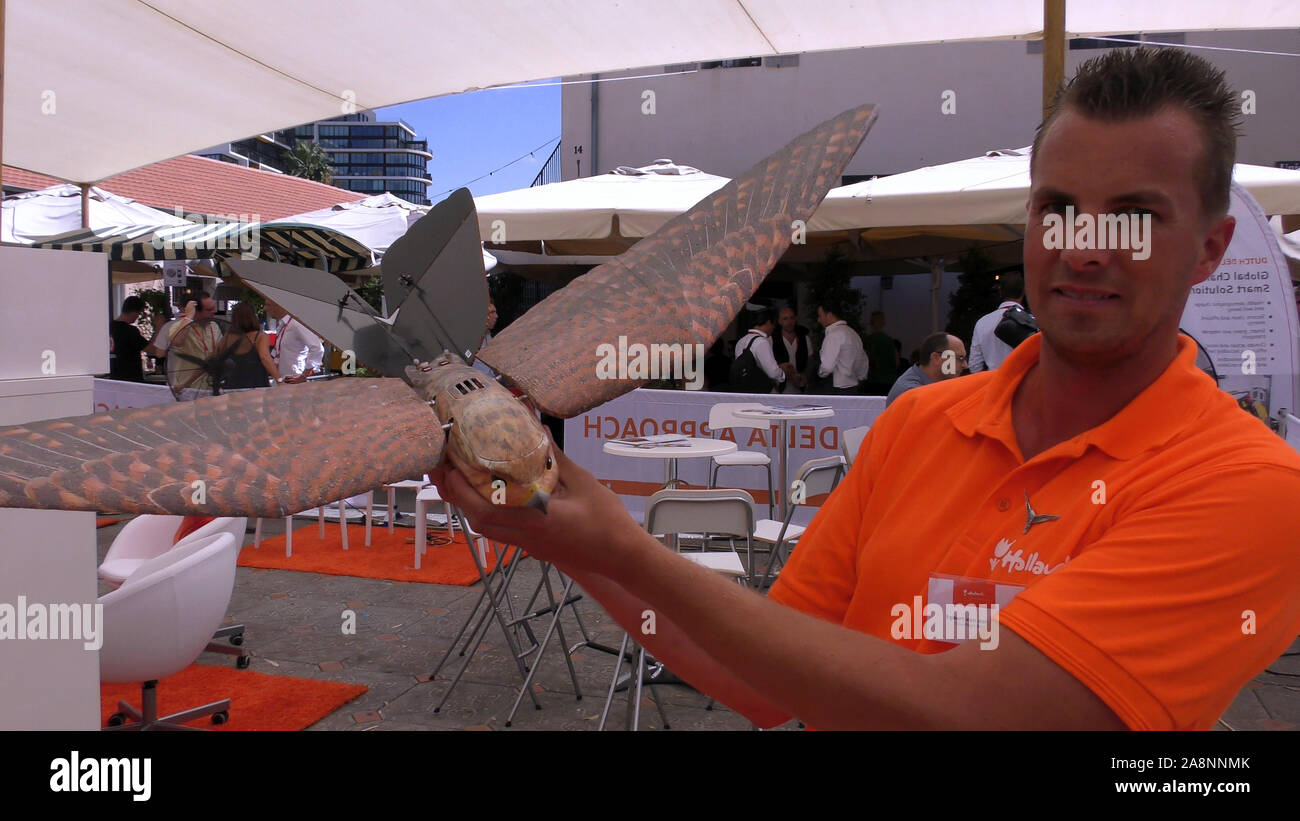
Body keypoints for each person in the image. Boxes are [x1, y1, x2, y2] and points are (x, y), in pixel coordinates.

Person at [430, 48, 1300, 730]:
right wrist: (561, 534)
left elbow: (972, 713)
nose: (1085, 245)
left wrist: (623, 548)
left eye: (1136, 216)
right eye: (1057, 207)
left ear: (1213, 248)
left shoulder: (1251, 486)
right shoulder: (921, 418)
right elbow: (764, 679)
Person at [212, 302, 282, 391]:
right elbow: (265, 358)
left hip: (232, 388)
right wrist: (280, 380)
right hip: (256, 387)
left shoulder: (228, 337)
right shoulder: (260, 337)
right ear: (253, 316)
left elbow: (213, 356)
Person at [885, 332, 967, 406]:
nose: (965, 365)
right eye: (960, 358)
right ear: (936, 358)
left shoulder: (924, 385)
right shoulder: (911, 393)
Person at [968, 270, 1026, 372]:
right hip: (1023, 382)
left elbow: (974, 366)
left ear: (1001, 292)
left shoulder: (982, 322)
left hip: (994, 381)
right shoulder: (1032, 321)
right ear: (1024, 292)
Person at [814, 301, 868, 395]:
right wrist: (860, 377)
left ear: (829, 315)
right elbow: (863, 362)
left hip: (837, 389)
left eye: (820, 316)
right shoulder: (853, 334)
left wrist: (819, 373)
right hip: (854, 388)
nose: (819, 320)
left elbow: (827, 367)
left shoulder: (833, 335)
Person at [266, 300, 324, 383]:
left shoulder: (296, 324)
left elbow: (317, 348)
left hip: (293, 380)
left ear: (278, 306)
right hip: (282, 380)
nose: (266, 308)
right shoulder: (282, 324)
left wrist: (305, 374)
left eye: (268, 305)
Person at [732, 307, 785, 393]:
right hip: (760, 390)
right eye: (773, 324)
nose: (774, 327)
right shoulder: (762, 342)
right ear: (768, 322)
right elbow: (773, 373)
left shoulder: (741, 341)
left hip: (743, 389)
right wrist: (783, 374)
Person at [107, 296, 150, 382]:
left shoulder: (108, 327)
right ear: (134, 312)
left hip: (113, 375)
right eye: (139, 313)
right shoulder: (130, 331)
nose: (138, 316)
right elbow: (150, 349)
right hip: (130, 376)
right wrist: (159, 329)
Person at [771, 305, 811, 394]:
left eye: (791, 318)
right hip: (779, 388)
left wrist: (806, 376)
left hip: (800, 387)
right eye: (785, 319)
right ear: (779, 321)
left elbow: (810, 360)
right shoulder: (772, 339)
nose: (789, 322)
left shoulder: (804, 338)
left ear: (796, 319)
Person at [862, 311, 899, 395]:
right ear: (883, 322)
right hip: (890, 381)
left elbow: (866, 360)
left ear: (871, 323)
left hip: (873, 381)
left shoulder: (869, 340)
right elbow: (897, 362)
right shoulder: (890, 340)